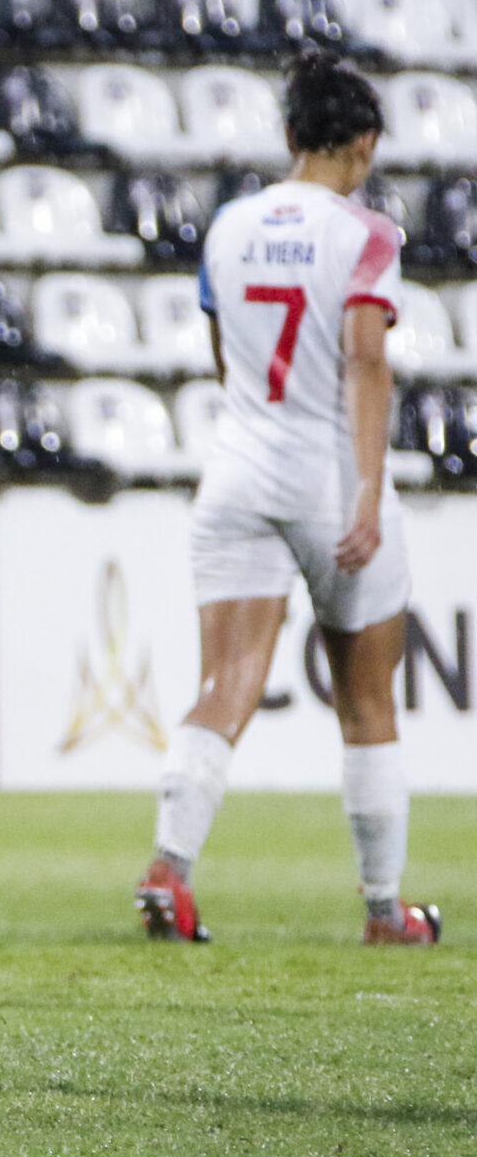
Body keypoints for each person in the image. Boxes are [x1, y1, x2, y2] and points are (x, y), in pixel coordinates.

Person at [136, 56, 439, 948]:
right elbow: (365, 360)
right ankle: (385, 910)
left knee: (223, 684)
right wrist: (369, 494)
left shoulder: (229, 226)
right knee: (368, 703)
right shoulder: (366, 233)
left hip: (236, 469)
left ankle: (169, 869)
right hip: (329, 481)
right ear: (367, 143)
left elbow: (228, 358)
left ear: (288, 137)